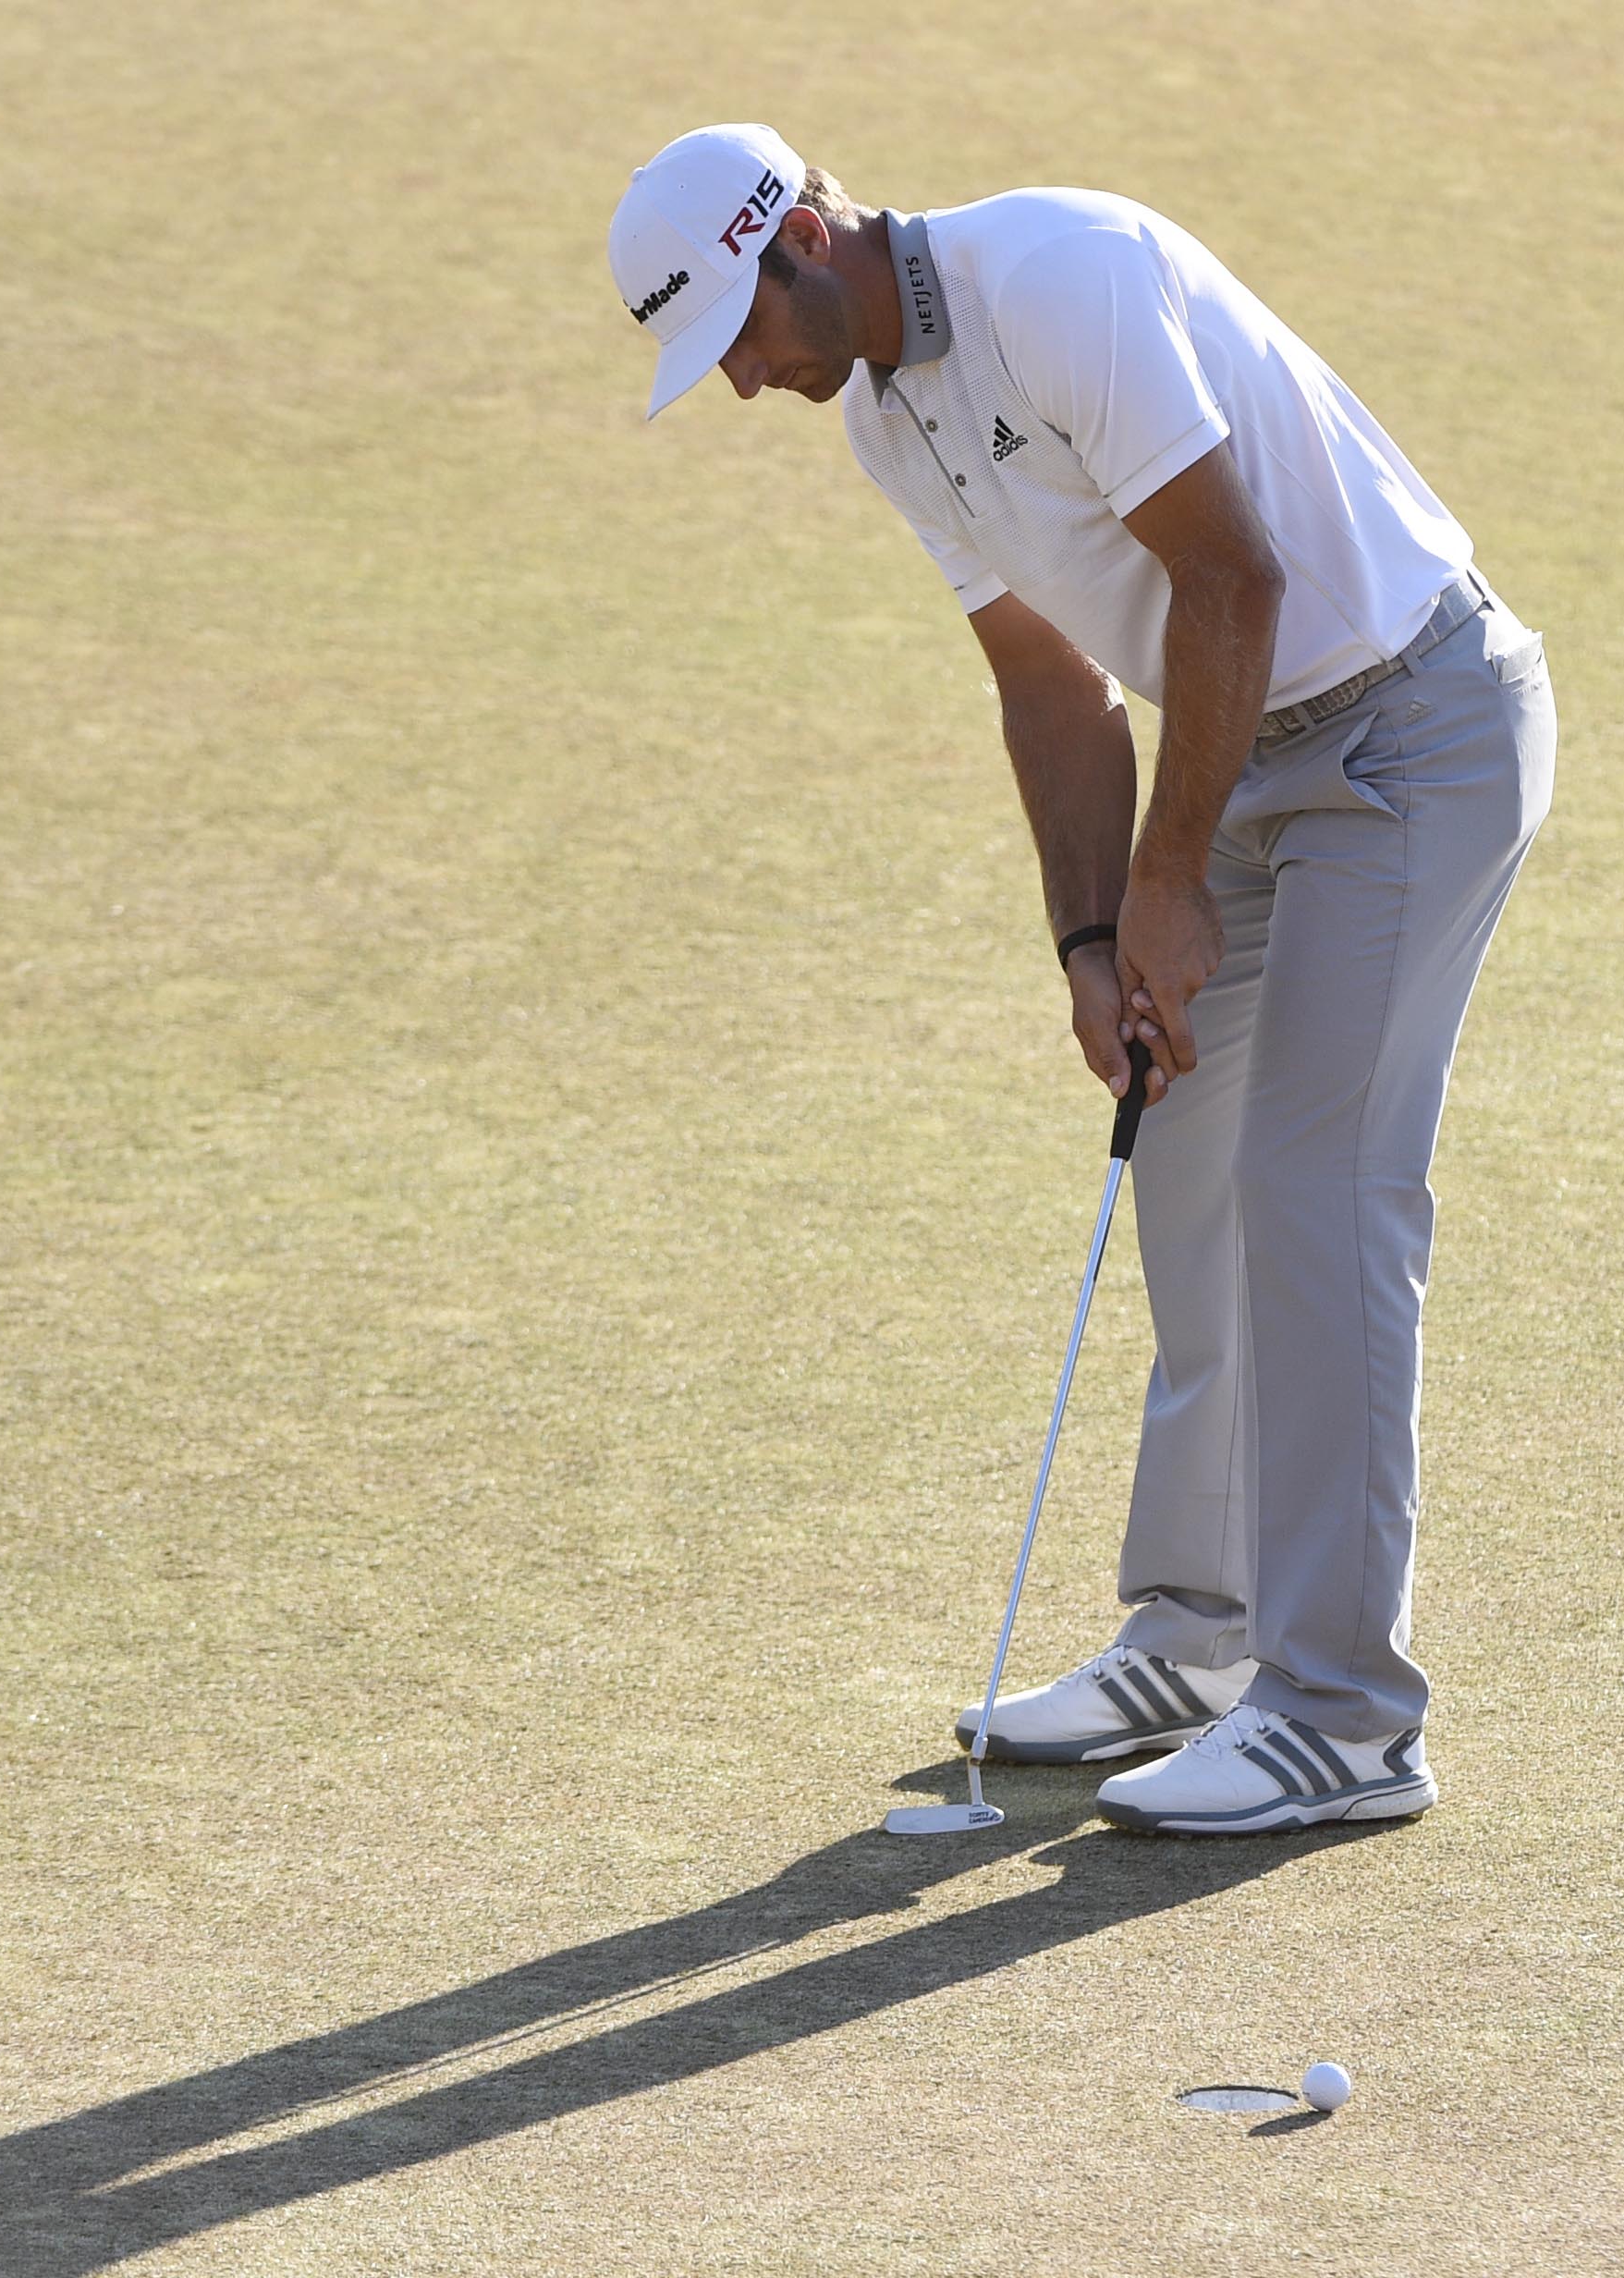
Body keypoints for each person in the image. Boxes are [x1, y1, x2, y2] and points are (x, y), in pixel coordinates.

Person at [608, 125, 1553, 1834]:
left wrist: (1174, 878)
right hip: (1245, 746)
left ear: (803, 233)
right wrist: (1095, 943)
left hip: (1414, 727)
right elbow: (1049, 684)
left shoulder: (1059, 273)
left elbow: (1232, 574)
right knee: (1190, 1166)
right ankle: (1204, 1636)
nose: (744, 385)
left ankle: (1345, 1714)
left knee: (1317, 1184)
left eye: (740, 336)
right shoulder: (889, 422)